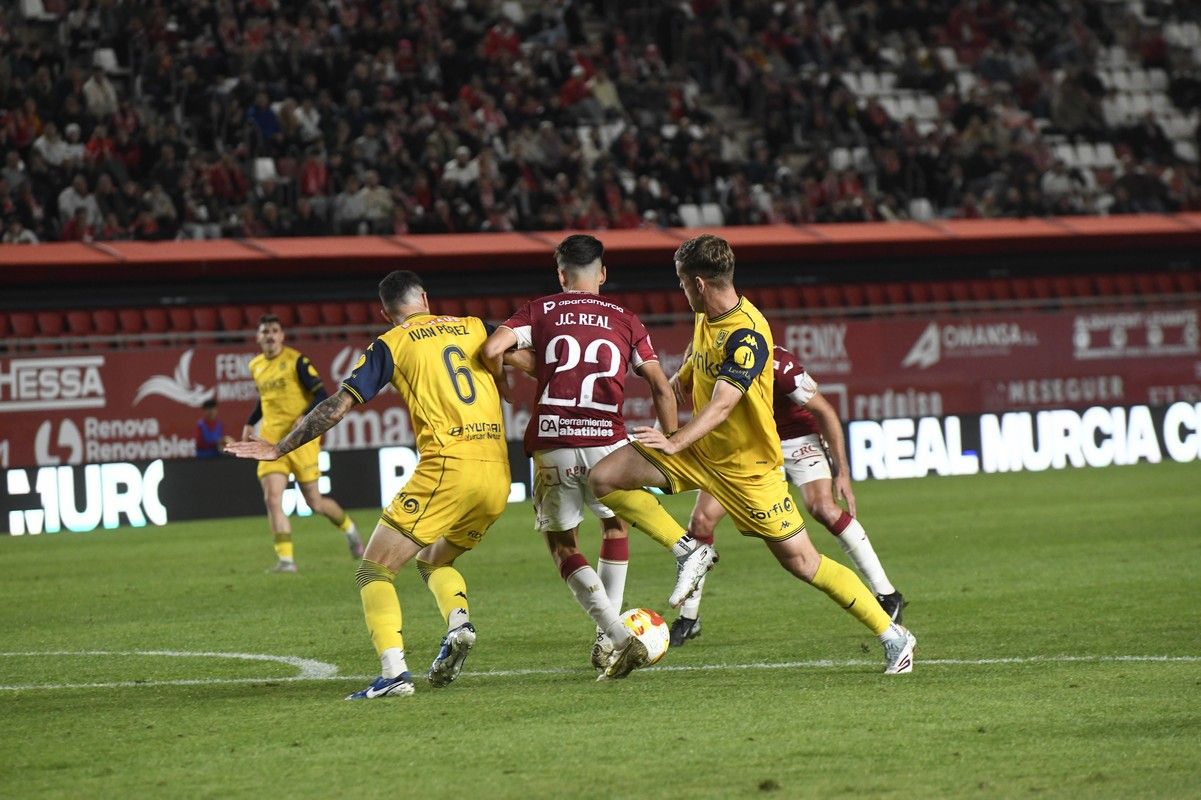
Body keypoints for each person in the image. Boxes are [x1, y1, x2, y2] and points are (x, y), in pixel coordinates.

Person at [588, 234, 916, 677]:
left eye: (683, 284)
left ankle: (894, 636)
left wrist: (676, 440)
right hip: (703, 452)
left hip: (749, 471)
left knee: (803, 563)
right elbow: (692, 371)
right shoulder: (707, 319)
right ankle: (687, 551)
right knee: (604, 478)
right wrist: (671, 383)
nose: (682, 292)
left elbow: (724, 403)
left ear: (700, 284)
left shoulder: (746, 334)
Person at [228, 272, 513, 699]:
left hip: (449, 467)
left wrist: (280, 448)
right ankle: (459, 624)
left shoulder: (392, 343)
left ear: (385, 312)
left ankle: (394, 673)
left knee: (373, 568)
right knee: (434, 560)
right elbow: (522, 355)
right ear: (425, 298)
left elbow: (337, 405)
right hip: (499, 474)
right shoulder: (475, 326)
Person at [480, 234, 678, 674]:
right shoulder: (625, 319)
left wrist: (505, 384)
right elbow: (661, 387)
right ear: (602, 273)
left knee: (562, 542)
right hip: (607, 438)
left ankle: (616, 634)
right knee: (615, 523)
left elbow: (493, 349)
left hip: (553, 439)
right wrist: (672, 441)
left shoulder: (542, 308)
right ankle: (606, 639)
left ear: (560, 274)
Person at [668, 344, 906, 647]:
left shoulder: (780, 366)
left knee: (822, 507)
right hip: (749, 446)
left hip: (795, 438)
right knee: (701, 521)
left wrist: (842, 472)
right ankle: (689, 618)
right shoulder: (711, 357)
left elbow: (825, 412)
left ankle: (887, 594)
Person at [242, 314, 363, 571]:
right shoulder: (256, 365)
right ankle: (286, 560)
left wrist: (305, 414)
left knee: (314, 502)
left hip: (301, 440)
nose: (270, 335)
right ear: (258, 337)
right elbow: (263, 401)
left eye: (274, 330)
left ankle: (349, 529)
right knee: (272, 499)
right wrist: (249, 422)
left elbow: (321, 393)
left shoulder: (297, 361)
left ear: (282, 336)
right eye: (265, 332)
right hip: (271, 439)